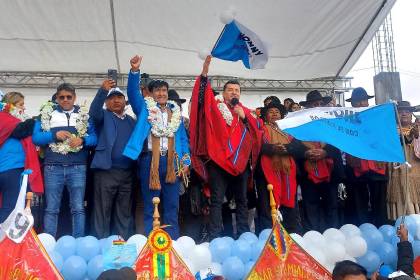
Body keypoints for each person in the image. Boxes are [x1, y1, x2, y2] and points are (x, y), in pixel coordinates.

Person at [189, 56, 263, 239]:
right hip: (219, 162)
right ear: (223, 93)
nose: (234, 93)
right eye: (230, 90)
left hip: (241, 164)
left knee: (242, 201)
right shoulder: (215, 106)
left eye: (237, 90)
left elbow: (259, 132)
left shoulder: (245, 111)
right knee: (216, 200)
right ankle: (215, 236)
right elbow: (201, 98)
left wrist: (245, 118)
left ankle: (244, 234)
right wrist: (204, 74)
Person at [123, 55, 190, 239]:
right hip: (149, 162)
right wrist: (134, 71)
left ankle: (172, 243)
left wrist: (186, 161)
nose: (161, 93)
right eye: (157, 91)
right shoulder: (144, 108)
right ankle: (150, 243)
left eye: (164, 90)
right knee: (151, 203)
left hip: (172, 162)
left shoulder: (175, 112)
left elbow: (183, 141)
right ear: (151, 94)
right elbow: (132, 93)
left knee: (171, 205)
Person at [32, 83, 97, 237]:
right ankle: (49, 244)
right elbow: (36, 138)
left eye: (69, 97)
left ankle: (79, 242)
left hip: (78, 167)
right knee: (51, 209)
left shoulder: (84, 115)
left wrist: (82, 140)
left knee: (78, 208)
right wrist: (54, 135)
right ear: (57, 98)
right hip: (53, 167)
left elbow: (95, 138)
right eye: (62, 97)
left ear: (74, 98)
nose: (65, 100)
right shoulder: (46, 114)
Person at [89, 80, 136, 239]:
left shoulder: (131, 120)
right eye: (111, 98)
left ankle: (121, 247)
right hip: (106, 171)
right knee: (102, 211)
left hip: (127, 173)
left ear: (125, 101)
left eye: (119, 97)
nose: (116, 101)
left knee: (124, 213)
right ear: (106, 102)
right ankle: (101, 247)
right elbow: (93, 111)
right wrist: (102, 91)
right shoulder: (103, 116)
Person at [297, 90, 345, 231]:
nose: (317, 106)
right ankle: (313, 235)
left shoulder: (332, 123)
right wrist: (306, 152)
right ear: (308, 107)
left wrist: (325, 152)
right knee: (310, 206)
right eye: (313, 104)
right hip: (308, 174)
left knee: (331, 206)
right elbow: (293, 146)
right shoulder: (300, 124)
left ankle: (333, 234)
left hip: (330, 173)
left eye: (319, 103)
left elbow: (338, 144)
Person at [255, 101, 304, 233]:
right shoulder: (261, 130)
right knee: (267, 205)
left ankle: (292, 233)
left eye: (277, 112)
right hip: (267, 174)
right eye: (271, 112)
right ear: (265, 116)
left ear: (281, 115)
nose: (274, 114)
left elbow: (299, 147)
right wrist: (273, 148)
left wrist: (286, 148)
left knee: (290, 204)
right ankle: (269, 234)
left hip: (288, 172)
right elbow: (257, 147)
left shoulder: (289, 130)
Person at [344, 87, 388, 226]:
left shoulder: (379, 118)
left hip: (377, 166)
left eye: (363, 100)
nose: (361, 103)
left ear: (368, 102)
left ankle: (381, 227)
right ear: (352, 104)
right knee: (359, 202)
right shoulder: (346, 121)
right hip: (357, 166)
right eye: (358, 101)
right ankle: (362, 230)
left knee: (379, 202)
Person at [0, 92, 43, 222]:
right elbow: (22, 130)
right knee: (10, 207)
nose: (24, 108)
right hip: (11, 169)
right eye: (21, 104)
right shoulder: (5, 118)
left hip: (10, 169)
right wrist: (37, 120)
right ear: (10, 105)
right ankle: (3, 240)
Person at [387, 101, 420, 220]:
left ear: (411, 114)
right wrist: (410, 136)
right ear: (396, 114)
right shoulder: (390, 130)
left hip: (416, 173)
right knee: (401, 198)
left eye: (407, 111)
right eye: (401, 111)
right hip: (398, 172)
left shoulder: (418, 128)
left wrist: (417, 136)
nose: (404, 114)